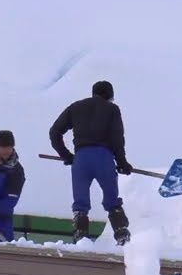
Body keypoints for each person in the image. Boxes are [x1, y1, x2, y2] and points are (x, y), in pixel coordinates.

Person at [49, 80, 133, 245]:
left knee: (80, 202)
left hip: (81, 159)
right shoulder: (112, 109)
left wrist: (66, 155)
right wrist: (122, 163)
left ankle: (81, 235)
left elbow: (54, 132)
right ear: (110, 96)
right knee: (112, 200)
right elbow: (117, 139)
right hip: (103, 158)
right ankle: (121, 234)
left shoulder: (76, 107)